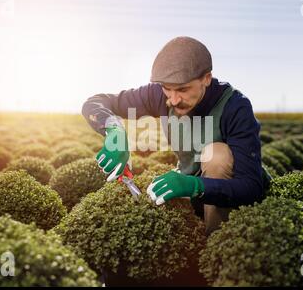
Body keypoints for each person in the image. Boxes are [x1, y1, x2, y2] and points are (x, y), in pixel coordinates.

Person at [82, 36, 265, 235]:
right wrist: (113, 129)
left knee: (216, 155)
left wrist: (195, 186)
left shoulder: (235, 106)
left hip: (229, 193)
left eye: (183, 89)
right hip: (189, 180)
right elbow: (96, 102)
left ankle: (217, 244)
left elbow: (251, 188)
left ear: (206, 78)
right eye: (167, 89)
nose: (174, 99)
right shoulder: (158, 95)